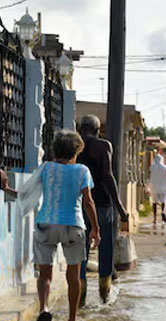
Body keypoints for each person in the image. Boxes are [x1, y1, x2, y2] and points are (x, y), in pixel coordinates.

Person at [31, 130, 101, 321]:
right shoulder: (82, 170)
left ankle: (44, 309)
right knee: (74, 274)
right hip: (73, 226)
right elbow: (88, 202)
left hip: (46, 223)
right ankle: (71, 318)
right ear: (76, 151)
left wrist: (6, 188)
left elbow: (27, 193)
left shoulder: (46, 168)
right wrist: (96, 228)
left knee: (45, 273)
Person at [76, 114, 129, 305]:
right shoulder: (103, 146)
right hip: (103, 205)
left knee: (80, 249)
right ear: (98, 130)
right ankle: (104, 296)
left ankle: (79, 299)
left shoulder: (74, 146)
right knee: (105, 247)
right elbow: (107, 176)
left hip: (80, 204)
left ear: (80, 128)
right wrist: (120, 207)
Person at [149, 153, 166, 224]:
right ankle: (163, 211)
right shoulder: (165, 168)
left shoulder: (152, 167)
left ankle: (154, 218)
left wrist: (148, 186)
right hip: (163, 187)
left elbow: (149, 177)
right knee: (163, 201)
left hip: (153, 187)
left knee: (154, 202)